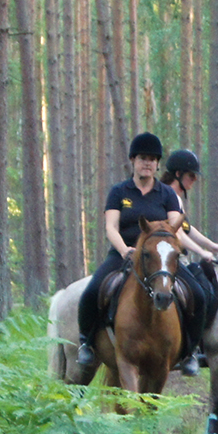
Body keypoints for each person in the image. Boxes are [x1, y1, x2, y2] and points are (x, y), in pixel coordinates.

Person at [76, 132, 185, 370]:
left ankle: (190, 351)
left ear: (157, 164)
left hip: (160, 258)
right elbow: (111, 227)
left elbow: (175, 224)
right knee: (92, 291)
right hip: (123, 254)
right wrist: (124, 249)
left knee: (195, 292)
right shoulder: (119, 192)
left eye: (152, 159)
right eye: (142, 158)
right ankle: (86, 342)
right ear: (133, 161)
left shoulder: (167, 194)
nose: (147, 163)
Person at [163, 149, 218, 377]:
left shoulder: (176, 197)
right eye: (191, 176)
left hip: (181, 254)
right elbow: (177, 234)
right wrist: (201, 252)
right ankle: (189, 349)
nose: (195, 180)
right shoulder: (169, 195)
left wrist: (211, 245)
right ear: (178, 174)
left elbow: (188, 228)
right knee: (199, 293)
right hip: (170, 257)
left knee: (205, 289)